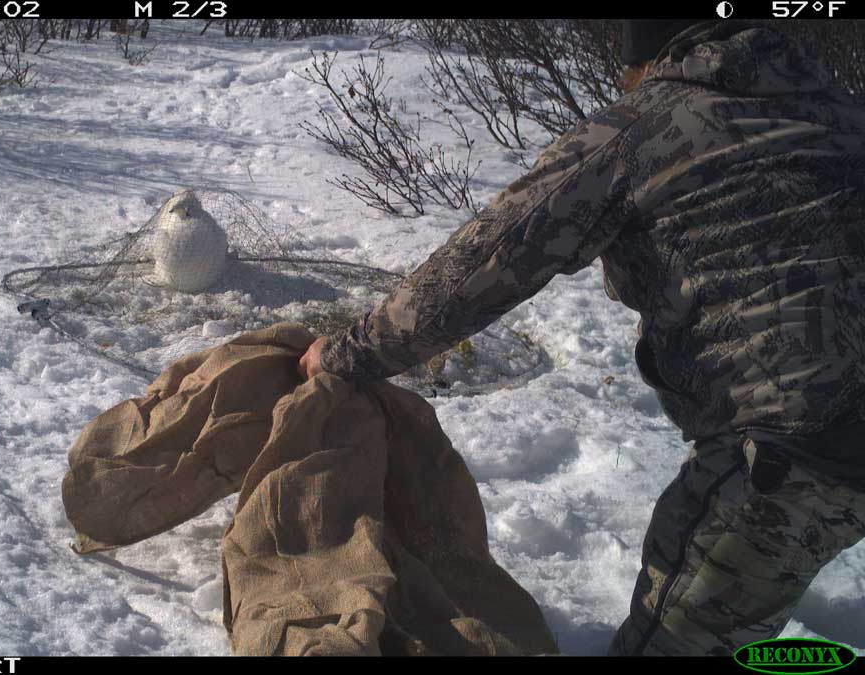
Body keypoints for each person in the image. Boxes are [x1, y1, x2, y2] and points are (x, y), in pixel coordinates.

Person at [298, 19, 865, 656]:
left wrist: (348, 352)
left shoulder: (646, 126)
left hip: (799, 446)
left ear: (651, 59)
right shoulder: (843, 114)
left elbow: (485, 264)